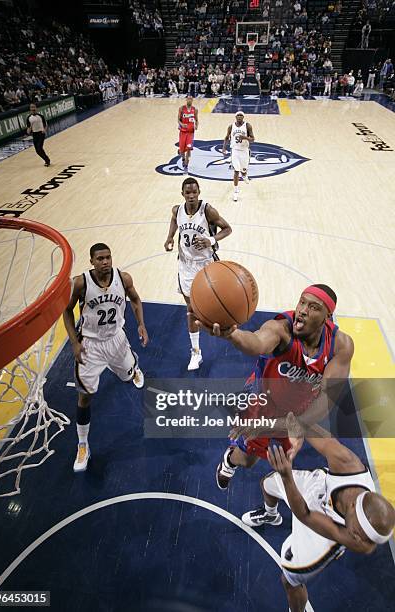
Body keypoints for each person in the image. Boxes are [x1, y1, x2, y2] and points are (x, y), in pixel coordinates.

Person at [198, 284, 354, 489]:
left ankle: (270, 507)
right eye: (302, 302)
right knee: (248, 460)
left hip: (297, 410)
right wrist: (232, 335)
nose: (303, 310)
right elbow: (256, 342)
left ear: (328, 316)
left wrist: (298, 424)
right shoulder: (281, 329)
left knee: (284, 460)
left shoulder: (341, 345)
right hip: (262, 402)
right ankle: (229, 460)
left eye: (314, 307)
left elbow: (327, 397)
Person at [241, 419, 395, 612]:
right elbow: (301, 421)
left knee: (289, 580)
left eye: (363, 538)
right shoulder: (348, 464)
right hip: (319, 490)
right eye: (357, 532)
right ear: (355, 504)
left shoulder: (358, 540)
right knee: (268, 484)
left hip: (323, 534)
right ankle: (271, 514)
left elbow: (304, 515)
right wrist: (288, 427)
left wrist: (288, 476)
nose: (357, 538)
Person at [63, 243, 149, 472]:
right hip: (90, 346)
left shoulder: (124, 278)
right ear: (91, 261)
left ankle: (133, 367)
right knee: (85, 397)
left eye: (108, 257)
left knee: (129, 375)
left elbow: (136, 299)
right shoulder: (81, 283)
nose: (105, 262)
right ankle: (83, 444)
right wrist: (74, 342)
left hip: (117, 340)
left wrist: (141, 325)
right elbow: (66, 310)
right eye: (100, 258)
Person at [164, 178, 232, 371]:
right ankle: (196, 352)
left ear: (199, 192)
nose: (191, 196)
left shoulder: (207, 210)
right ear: (182, 194)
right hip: (185, 266)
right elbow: (173, 220)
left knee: (215, 303)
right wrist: (169, 236)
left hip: (206, 265)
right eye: (188, 193)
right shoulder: (177, 210)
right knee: (191, 309)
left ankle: (225, 326)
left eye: (194, 192)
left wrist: (211, 239)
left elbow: (228, 229)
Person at [222, 111, 255, 202]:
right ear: (235, 117)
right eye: (238, 115)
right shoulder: (231, 126)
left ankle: (244, 175)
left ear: (243, 117)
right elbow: (226, 137)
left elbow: (253, 139)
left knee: (243, 170)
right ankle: (236, 191)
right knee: (236, 170)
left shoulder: (248, 126)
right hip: (235, 151)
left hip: (244, 151)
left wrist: (245, 138)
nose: (239, 117)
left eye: (241, 115)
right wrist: (224, 148)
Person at [178, 94, 198, 174]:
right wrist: (181, 124)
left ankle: (186, 167)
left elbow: (196, 120)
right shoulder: (181, 108)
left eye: (191, 99)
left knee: (189, 149)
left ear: (192, 100)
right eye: (188, 99)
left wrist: (196, 125)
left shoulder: (195, 109)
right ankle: (183, 159)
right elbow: (178, 120)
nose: (189, 100)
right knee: (182, 150)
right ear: (186, 100)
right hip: (183, 132)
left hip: (190, 132)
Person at [26, 102, 50, 167]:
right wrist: (28, 131)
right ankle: (46, 159)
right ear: (30, 109)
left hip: (41, 133)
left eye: (34, 107)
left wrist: (44, 130)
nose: (33, 108)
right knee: (37, 151)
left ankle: (47, 161)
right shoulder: (29, 118)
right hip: (34, 134)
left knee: (39, 148)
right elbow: (28, 128)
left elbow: (46, 124)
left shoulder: (41, 116)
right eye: (31, 107)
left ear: (36, 108)